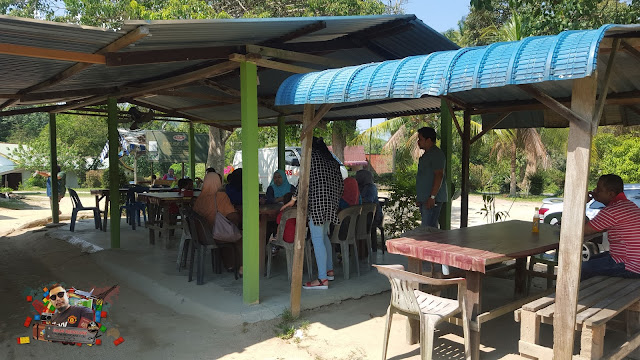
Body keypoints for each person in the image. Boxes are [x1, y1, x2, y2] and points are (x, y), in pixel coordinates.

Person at [281, 137, 343, 290]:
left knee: (317, 239)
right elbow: (342, 184)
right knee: (323, 237)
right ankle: (329, 271)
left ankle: (322, 280)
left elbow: (303, 181)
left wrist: (293, 199)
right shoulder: (333, 161)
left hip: (316, 203)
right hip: (331, 203)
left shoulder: (311, 158)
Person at [581, 174, 640, 280]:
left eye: (599, 190)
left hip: (630, 265)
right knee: (593, 258)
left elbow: (581, 231)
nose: (594, 191)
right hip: (634, 261)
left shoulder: (612, 211)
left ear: (611, 194)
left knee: (581, 268)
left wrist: (581, 203)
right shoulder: (630, 205)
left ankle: (576, 295)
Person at [193, 172, 242, 273]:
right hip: (215, 235)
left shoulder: (199, 198)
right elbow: (233, 217)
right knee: (240, 237)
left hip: (201, 235)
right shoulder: (221, 197)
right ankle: (237, 266)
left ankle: (228, 263)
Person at [415, 126, 448, 228]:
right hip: (425, 198)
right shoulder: (426, 155)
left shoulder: (436, 154)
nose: (418, 142)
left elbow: (439, 175)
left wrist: (432, 197)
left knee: (427, 229)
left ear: (428, 140)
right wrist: (420, 197)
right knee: (429, 228)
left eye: (420, 139)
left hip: (432, 199)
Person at [356, 169, 383, 253]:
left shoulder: (371, 187)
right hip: (365, 215)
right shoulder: (360, 187)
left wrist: (357, 200)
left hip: (373, 217)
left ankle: (362, 250)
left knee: (356, 224)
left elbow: (368, 201)